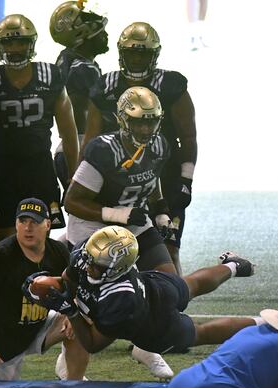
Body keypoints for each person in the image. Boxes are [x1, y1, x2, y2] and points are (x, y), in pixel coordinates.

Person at [25, 226, 258, 367]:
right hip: (155, 286)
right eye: (88, 258)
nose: (87, 266)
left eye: (95, 265)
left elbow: (93, 344)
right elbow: (69, 279)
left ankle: (266, 325)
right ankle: (235, 266)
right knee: (190, 284)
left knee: (200, 332)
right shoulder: (87, 254)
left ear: (115, 270)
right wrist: (46, 287)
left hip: (153, 324)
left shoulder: (119, 299)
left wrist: (71, 311)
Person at [64, 86, 175, 379]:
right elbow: (72, 201)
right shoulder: (104, 150)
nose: (146, 127)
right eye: (139, 121)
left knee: (169, 284)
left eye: (151, 120)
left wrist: (161, 210)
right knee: (91, 303)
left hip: (132, 221)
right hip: (94, 226)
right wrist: (117, 215)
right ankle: (70, 363)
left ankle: (144, 345)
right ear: (123, 120)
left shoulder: (160, 145)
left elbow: (151, 180)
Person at [85, 22, 198, 276]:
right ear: (121, 54)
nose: (136, 59)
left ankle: (173, 303)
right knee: (110, 247)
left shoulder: (171, 85)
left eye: (143, 53)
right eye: (131, 53)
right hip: (117, 178)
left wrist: (186, 180)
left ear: (154, 55)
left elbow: (188, 137)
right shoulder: (105, 86)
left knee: (169, 247)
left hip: (161, 173)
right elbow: (90, 140)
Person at [0, 13, 79, 242]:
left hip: (39, 168)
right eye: (8, 42)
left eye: (21, 42)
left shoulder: (51, 76)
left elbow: (68, 134)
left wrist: (72, 178)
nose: (15, 48)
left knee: (38, 243)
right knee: (4, 246)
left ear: (32, 44)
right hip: (2, 170)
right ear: (0, 46)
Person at [0, 198, 89, 380]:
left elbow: (76, 286)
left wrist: (74, 313)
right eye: (23, 221)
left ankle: (73, 383)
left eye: (34, 222)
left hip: (34, 327)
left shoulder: (58, 252)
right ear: (16, 224)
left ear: (47, 224)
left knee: (81, 322)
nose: (28, 228)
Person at [49, 1, 108, 190]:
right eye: (93, 23)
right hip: (83, 152)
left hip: (68, 149)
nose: (104, 32)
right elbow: (97, 117)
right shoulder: (84, 69)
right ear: (79, 33)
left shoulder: (66, 57)